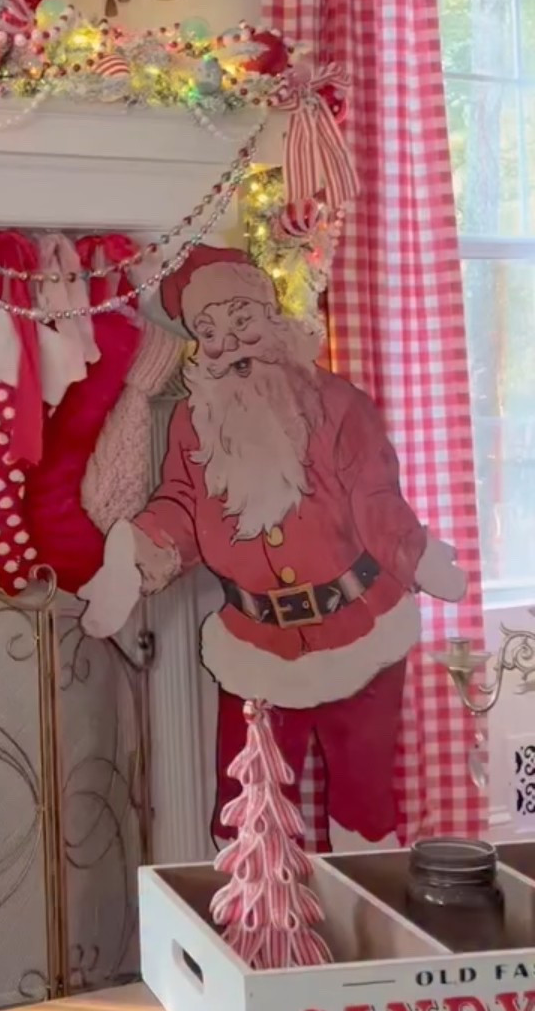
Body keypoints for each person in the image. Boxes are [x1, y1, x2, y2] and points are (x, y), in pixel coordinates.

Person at [79, 246, 467, 844]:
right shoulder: (194, 420)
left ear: (273, 317)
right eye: (209, 333)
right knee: (244, 813)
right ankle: (251, 934)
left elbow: (376, 499)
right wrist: (134, 555)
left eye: (242, 321)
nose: (229, 343)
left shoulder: (338, 404)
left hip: (359, 630)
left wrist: (418, 556)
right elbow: (182, 506)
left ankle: (363, 924)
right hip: (255, 646)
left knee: (364, 811)